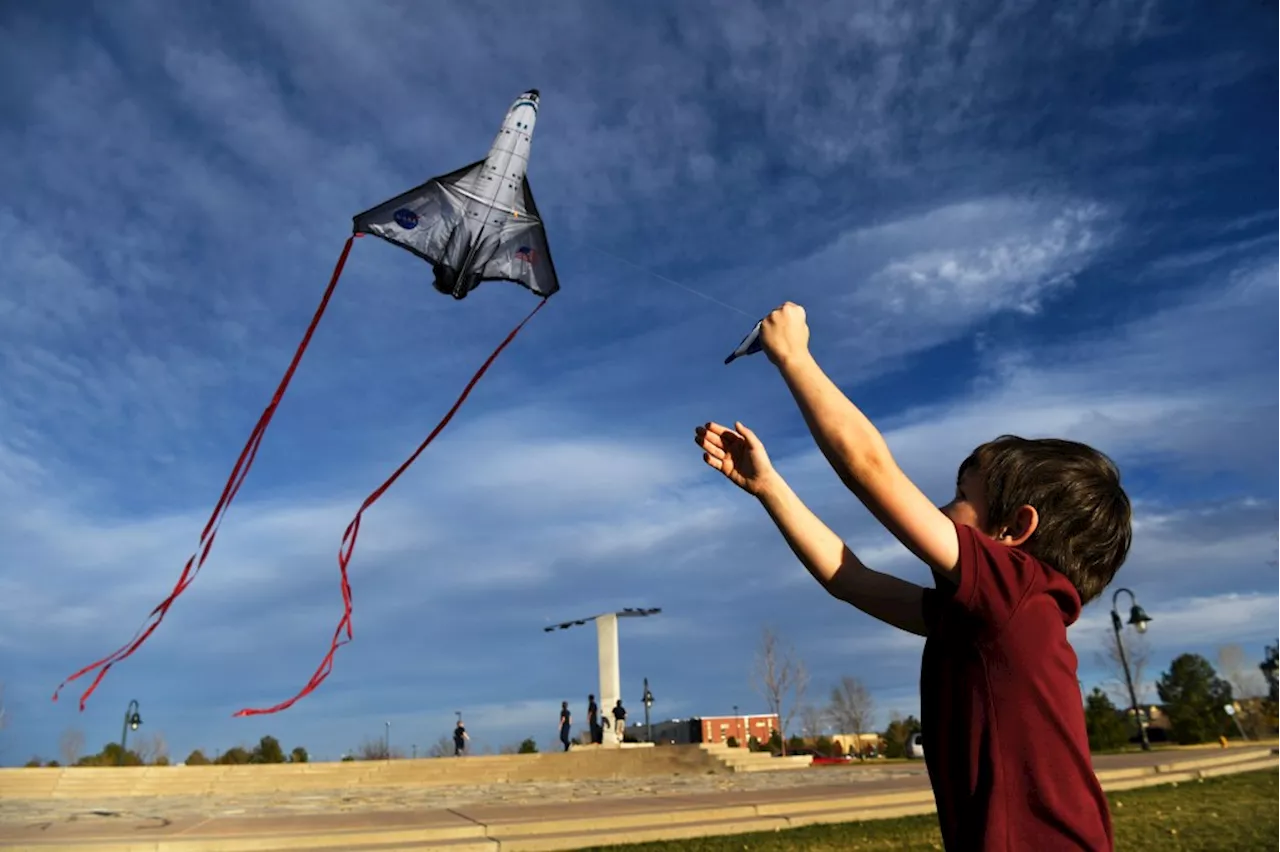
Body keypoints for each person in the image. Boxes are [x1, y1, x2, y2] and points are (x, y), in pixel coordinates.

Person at [694, 302, 1130, 851]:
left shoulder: (1020, 593)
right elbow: (848, 578)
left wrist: (794, 357)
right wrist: (770, 488)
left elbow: (869, 468)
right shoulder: (978, 621)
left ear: (1014, 532)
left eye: (962, 497)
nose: (943, 512)